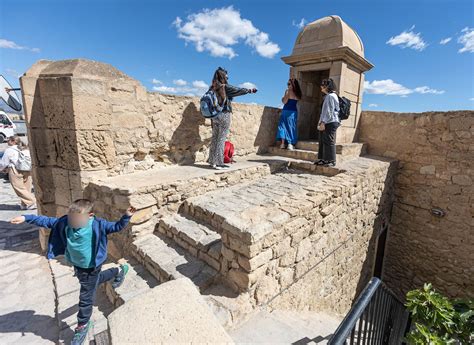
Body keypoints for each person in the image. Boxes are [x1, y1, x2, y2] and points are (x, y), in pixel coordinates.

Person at [10, 200, 136, 345]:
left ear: (90, 215)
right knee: (91, 283)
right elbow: (45, 221)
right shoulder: (65, 223)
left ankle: (82, 325)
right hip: (78, 266)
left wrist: (126, 216)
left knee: (85, 297)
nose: (73, 222)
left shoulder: (99, 225)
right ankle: (119, 270)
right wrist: (26, 218)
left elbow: (117, 226)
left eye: (77, 219)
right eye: (71, 218)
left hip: (92, 266)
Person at [208, 67, 257, 170]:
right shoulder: (224, 87)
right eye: (226, 76)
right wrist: (250, 90)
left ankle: (212, 161)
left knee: (215, 138)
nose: (227, 77)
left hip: (214, 115)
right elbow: (237, 90)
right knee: (221, 138)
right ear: (223, 76)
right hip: (224, 114)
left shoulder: (212, 87)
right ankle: (219, 163)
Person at [0, 135, 36, 209]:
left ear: (13, 141)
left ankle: (32, 201)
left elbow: (4, 163)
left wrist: (1, 169)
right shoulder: (24, 148)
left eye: (8, 140)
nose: (7, 142)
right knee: (26, 188)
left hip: (15, 170)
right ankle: (25, 204)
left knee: (18, 188)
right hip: (27, 169)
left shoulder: (9, 150)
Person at [315, 78, 340, 167]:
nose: (321, 87)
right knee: (323, 141)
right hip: (328, 121)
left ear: (327, 86)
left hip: (330, 121)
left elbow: (329, 111)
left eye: (323, 85)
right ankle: (323, 159)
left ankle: (331, 160)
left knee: (329, 141)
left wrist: (323, 122)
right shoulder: (329, 96)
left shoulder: (330, 96)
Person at [276, 78, 302, 150]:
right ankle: (290, 144)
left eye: (289, 84)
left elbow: (284, 101)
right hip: (293, 112)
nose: (287, 85)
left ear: (293, 85)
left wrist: (284, 96)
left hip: (286, 111)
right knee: (291, 127)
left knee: (282, 126)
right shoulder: (298, 92)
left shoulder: (288, 91)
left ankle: (283, 144)